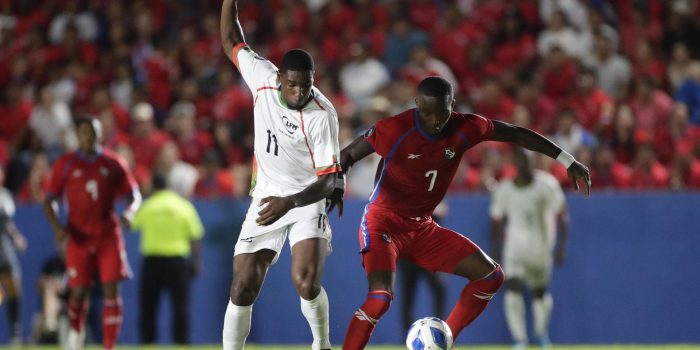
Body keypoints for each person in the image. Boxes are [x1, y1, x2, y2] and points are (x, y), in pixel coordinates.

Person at [327, 77, 590, 349]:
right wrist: (336, 184)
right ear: (417, 104)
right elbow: (347, 155)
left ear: (452, 105)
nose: (434, 121)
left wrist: (566, 160)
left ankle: (443, 340)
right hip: (383, 224)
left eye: (441, 113)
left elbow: (514, 133)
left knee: (491, 276)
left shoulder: (466, 127)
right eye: (426, 112)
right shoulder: (395, 128)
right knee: (381, 297)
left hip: (422, 229)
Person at [220, 1, 342, 349]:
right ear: (279, 79)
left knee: (305, 282)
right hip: (267, 198)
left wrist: (292, 202)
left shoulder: (322, 115)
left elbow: (328, 179)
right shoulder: (262, 78)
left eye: (306, 85)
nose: (299, 92)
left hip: (305, 199)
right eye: (292, 85)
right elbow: (230, 39)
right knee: (242, 286)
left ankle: (322, 344)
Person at [43, 117, 141, 350]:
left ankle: (109, 346)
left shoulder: (113, 162)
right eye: (85, 132)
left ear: (100, 134)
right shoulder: (66, 164)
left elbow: (134, 193)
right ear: (77, 134)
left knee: (112, 291)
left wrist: (130, 212)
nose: (90, 136)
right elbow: (49, 200)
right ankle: (76, 337)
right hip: (79, 237)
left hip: (108, 235)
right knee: (78, 293)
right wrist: (58, 228)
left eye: (94, 132)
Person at [490, 148, 569, 350]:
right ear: (515, 164)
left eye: (528, 161)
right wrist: (496, 250)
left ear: (533, 162)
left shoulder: (547, 185)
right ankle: (519, 339)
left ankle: (541, 334)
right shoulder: (505, 189)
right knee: (513, 288)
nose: (525, 165)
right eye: (521, 161)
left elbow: (563, 215)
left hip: (540, 248)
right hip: (514, 247)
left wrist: (561, 246)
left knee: (539, 293)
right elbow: (496, 220)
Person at [131, 174, 204, 344]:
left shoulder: (149, 205)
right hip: (177, 262)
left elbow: (132, 225)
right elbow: (195, 236)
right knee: (180, 306)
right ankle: (181, 342)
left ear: (153, 187)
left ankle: (148, 342)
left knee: (148, 307)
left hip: (152, 262)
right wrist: (196, 261)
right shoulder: (183, 206)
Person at [398, 201, 448, 334]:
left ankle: (440, 332)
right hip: (407, 254)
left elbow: (442, 210)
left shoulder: (430, 192)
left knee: (439, 289)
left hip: (427, 253)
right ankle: (409, 336)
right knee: (408, 296)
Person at [0, 164, 28, 344]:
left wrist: (16, 236)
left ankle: (16, 333)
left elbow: (6, 223)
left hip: (3, 245)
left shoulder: (5, 196)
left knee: (13, 286)